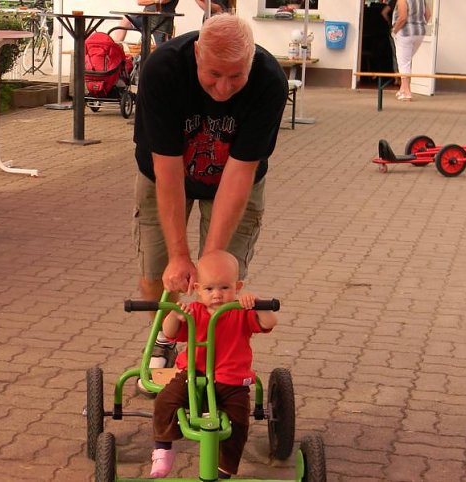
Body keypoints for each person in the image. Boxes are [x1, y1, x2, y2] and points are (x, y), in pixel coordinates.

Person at [132, 14, 287, 380]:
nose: (223, 87)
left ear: (251, 60)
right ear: (198, 54)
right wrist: (178, 256)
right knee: (156, 271)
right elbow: (167, 170)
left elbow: (240, 173)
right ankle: (165, 339)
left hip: (234, 180)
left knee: (220, 278)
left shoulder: (269, 81)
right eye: (214, 74)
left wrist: (211, 257)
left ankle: (216, 352)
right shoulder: (164, 70)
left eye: (236, 76)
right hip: (165, 175)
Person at [149, 250, 278, 478]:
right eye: (209, 289)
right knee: (165, 401)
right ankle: (163, 448)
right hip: (193, 375)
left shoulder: (240, 312)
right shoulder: (193, 311)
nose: (217, 295)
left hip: (232, 381)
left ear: (237, 287)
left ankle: (225, 467)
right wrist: (175, 316)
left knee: (238, 423)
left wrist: (259, 305)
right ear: (198, 289)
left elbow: (269, 322)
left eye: (224, 288)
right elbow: (169, 333)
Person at [391, 0, 430, 101]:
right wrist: (420, 25)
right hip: (419, 33)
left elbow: (403, 17)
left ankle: (406, 92)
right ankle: (402, 89)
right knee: (406, 61)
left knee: (403, 62)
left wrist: (394, 31)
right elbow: (428, 14)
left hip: (405, 33)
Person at [111, 0, 180, 45]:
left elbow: (162, 1)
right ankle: (115, 49)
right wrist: (155, 1)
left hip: (161, 21)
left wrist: (149, 1)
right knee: (126, 20)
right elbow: (139, 2)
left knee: (163, 51)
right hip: (145, 18)